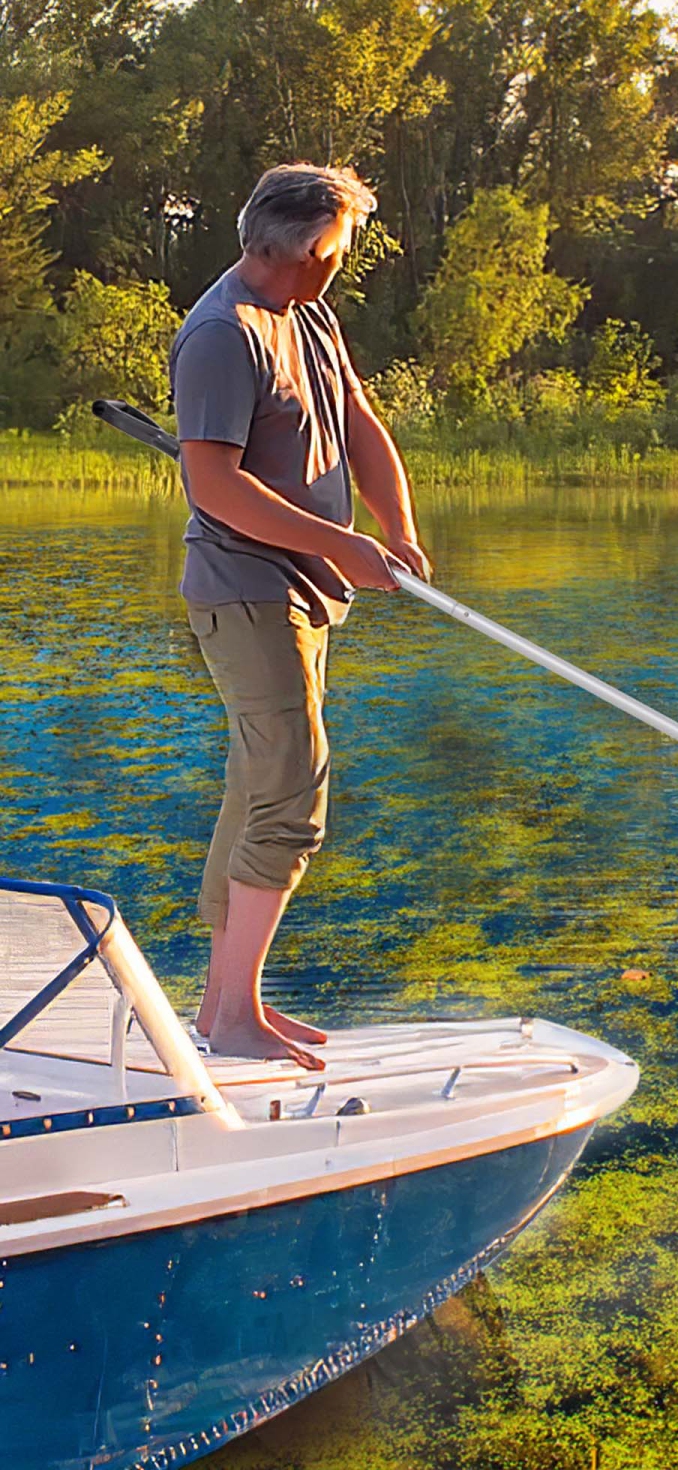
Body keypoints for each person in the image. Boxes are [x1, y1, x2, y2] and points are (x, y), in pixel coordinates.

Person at [169, 162, 431, 1070]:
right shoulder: (221, 335)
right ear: (295, 247)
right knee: (292, 788)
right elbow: (214, 485)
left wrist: (393, 525)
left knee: (256, 785)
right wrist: (340, 543)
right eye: (337, 251)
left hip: (308, 593)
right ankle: (233, 1016)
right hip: (246, 587)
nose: (343, 266)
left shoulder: (310, 311)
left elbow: (356, 419)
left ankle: (224, 1007)